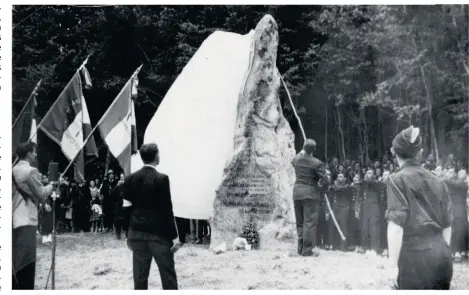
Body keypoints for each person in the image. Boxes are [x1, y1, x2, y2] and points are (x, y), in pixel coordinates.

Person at [386, 125, 453, 290]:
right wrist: (441, 252)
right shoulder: (439, 181)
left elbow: (396, 226)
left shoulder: (397, 180)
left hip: (414, 259)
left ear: (395, 153)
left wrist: (393, 266)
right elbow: (447, 225)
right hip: (442, 255)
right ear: (420, 152)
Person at [123, 143, 180, 290]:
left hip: (136, 233)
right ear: (156, 156)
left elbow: (126, 209)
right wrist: (174, 236)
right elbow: (167, 210)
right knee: (168, 277)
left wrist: (128, 234)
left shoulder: (130, 179)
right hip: (158, 235)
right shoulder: (162, 179)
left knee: (140, 278)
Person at [12, 142, 55, 289]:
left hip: (14, 218)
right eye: (34, 152)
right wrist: (53, 185)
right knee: (27, 261)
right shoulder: (30, 171)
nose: (36, 155)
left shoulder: (13, 170)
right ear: (29, 153)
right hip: (27, 219)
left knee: (15, 260)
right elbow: (42, 194)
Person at [291, 139, 329, 257]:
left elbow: (294, 160)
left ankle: (300, 248)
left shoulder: (296, 159)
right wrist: (321, 191)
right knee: (309, 222)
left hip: (297, 193)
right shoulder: (317, 163)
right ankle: (307, 250)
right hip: (311, 194)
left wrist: (303, 151)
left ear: (303, 147)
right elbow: (326, 181)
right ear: (314, 150)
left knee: (300, 222)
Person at [443, 167, 469, 262]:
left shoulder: (462, 184)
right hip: (452, 209)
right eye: (460, 173)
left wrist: (445, 177)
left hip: (460, 210)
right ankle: (454, 252)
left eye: (463, 173)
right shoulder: (452, 183)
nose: (461, 174)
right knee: (453, 230)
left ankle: (459, 251)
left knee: (459, 230)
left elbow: (456, 183)